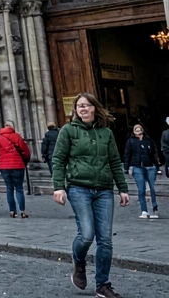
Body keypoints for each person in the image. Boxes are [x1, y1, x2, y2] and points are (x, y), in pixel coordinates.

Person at [52, 92, 131, 298]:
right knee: (86, 234)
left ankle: (102, 285)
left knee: (105, 240)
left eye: (87, 105)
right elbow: (59, 159)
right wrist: (59, 186)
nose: (83, 108)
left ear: (95, 108)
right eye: (80, 106)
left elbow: (115, 161)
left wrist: (123, 188)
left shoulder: (106, 133)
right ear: (75, 110)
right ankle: (78, 261)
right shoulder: (68, 130)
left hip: (104, 189)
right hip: (79, 188)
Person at [0, 120, 32, 219]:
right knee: (19, 188)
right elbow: (26, 152)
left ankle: (12, 211)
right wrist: (25, 161)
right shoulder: (17, 136)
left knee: (9, 188)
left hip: (4, 167)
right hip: (18, 166)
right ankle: (22, 211)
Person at [123, 123, 161, 218]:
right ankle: (144, 210)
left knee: (151, 189)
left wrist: (157, 166)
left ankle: (153, 209)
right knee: (141, 189)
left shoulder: (149, 141)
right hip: (137, 166)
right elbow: (127, 154)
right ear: (133, 131)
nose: (137, 131)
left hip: (150, 166)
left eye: (139, 129)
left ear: (142, 130)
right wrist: (126, 167)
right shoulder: (131, 141)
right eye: (136, 129)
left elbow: (154, 153)